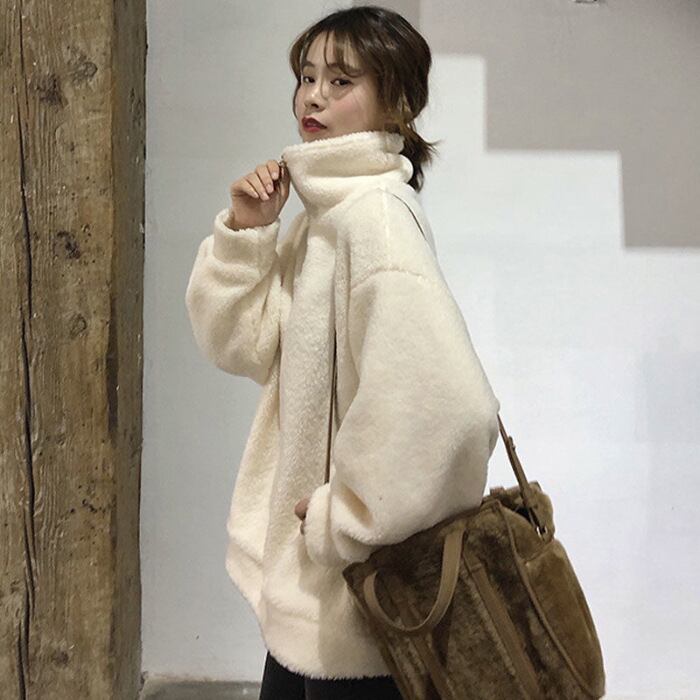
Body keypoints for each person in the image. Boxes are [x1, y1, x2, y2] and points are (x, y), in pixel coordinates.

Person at [185, 5, 501, 698]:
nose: (314, 97)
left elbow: (452, 410)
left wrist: (347, 519)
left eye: (341, 80)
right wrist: (247, 233)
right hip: (313, 593)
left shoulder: (374, 223)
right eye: (306, 77)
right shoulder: (325, 219)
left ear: (399, 102)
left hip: (359, 602)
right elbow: (241, 345)